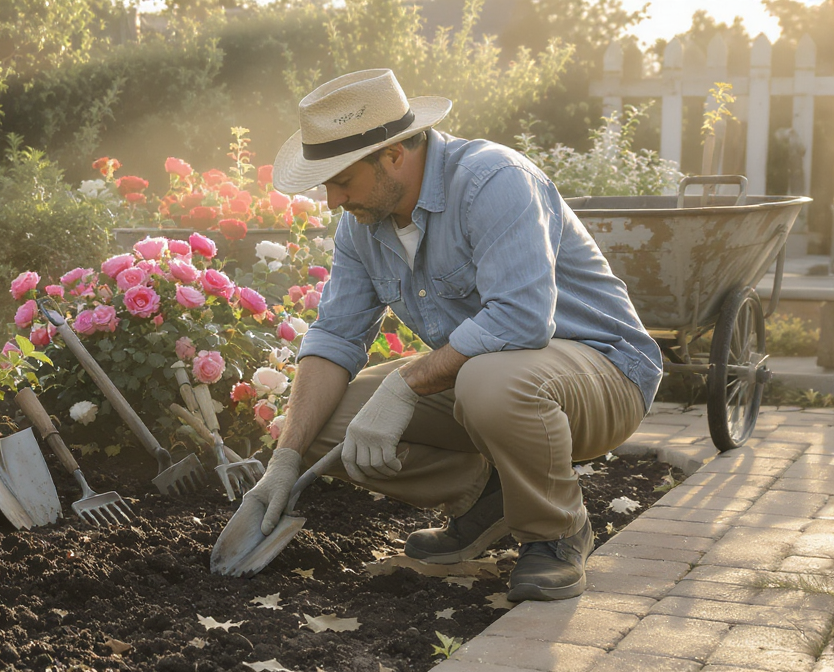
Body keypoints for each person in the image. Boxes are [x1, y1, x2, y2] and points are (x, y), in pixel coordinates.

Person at [237, 69, 663, 601]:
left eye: (341, 179)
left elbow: (521, 320)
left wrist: (404, 385)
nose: (331, 200)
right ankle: (490, 496)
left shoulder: (494, 180)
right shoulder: (362, 225)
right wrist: (285, 458)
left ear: (394, 154)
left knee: (491, 380)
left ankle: (556, 532)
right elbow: (335, 337)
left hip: (603, 374)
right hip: (496, 378)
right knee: (322, 423)